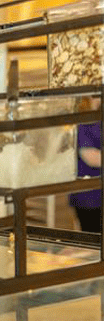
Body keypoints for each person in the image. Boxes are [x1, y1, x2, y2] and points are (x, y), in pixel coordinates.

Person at [70, 98, 102, 233]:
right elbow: (91, 158)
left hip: (98, 193)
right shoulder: (82, 122)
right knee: (91, 238)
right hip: (88, 195)